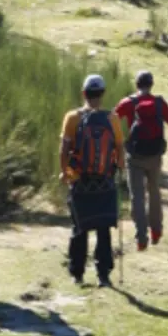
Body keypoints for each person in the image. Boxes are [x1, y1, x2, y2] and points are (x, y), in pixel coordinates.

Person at [59, 74, 124, 287]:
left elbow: (64, 150)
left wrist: (65, 173)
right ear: (102, 94)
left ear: (83, 93)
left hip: (80, 181)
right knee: (103, 229)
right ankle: (103, 275)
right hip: (104, 182)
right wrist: (119, 170)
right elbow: (119, 149)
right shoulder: (112, 119)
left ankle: (77, 274)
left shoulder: (72, 117)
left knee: (80, 228)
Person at [114, 70, 168, 251]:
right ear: (151, 85)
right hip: (155, 156)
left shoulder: (128, 103)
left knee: (136, 196)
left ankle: (141, 237)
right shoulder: (160, 104)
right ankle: (156, 230)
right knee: (154, 191)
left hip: (135, 156)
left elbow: (112, 120)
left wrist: (118, 142)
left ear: (136, 84)